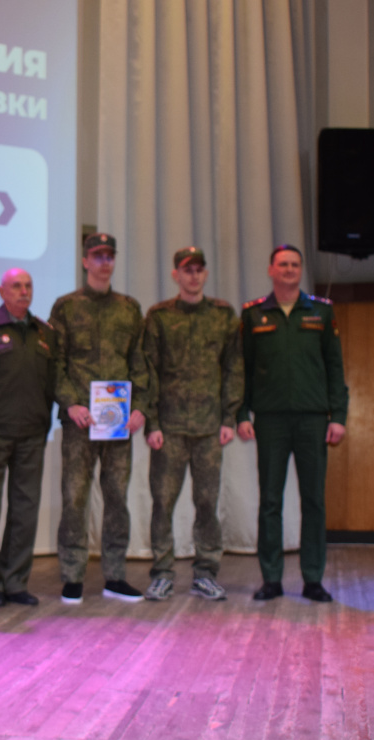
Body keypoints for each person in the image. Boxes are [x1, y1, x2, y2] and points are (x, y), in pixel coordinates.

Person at [236, 244, 348, 603]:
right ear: (271, 270)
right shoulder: (253, 314)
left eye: (295, 265)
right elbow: (244, 370)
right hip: (270, 420)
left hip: (313, 420)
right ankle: (271, 579)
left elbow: (334, 368)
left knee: (313, 500)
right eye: (282, 264)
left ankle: (313, 578)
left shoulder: (321, 312)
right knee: (270, 501)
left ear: (301, 270)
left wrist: (339, 416)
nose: (289, 270)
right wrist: (242, 414)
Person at [50, 232, 150, 604]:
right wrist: (71, 404)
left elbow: (139, 362)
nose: (104, 262)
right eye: (97, 256)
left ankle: (115, 575)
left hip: (119, 422)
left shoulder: (129, 308)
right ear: (85, 261)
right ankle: (72, 575)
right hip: (81, 421)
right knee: (74, 497)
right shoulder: (66, 307)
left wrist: (140, 406)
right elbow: (55, 363)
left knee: (117, 498)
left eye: (109, 256)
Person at [142, 247, 244, 601]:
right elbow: (149, 371)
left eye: (199, 269)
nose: (194, 275)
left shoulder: (223, 315)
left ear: (205, 273)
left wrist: (229, 417)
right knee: (162, 503)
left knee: (207, 503)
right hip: (169, 429)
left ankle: (206, 573)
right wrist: (152, 422)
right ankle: (162, 574)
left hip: (208, 429)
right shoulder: (159, 317)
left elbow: (233, 368)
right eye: (187, 270)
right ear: (176, 275)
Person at [0, 268, 57, 607]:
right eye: (16, 286)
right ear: (2, 291)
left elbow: (53, 383)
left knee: (25, 513)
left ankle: (15, 581)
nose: (23, 291)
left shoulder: (46, 333)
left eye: (28, 286)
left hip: (31, 436)